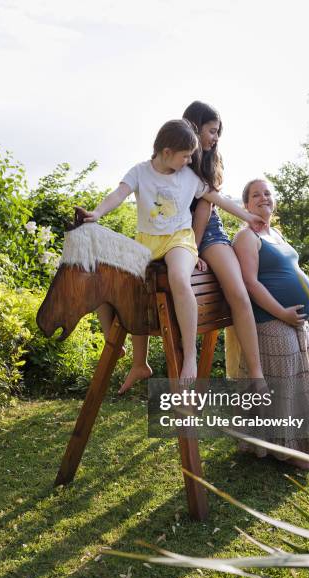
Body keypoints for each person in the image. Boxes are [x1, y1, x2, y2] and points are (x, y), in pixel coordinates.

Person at [78, 119, 265, 389]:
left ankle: (189, 356)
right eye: (186, 156)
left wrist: (249, 216)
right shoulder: (140, 172)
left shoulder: (188, 177)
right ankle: (138, 362)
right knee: (119, 279)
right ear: (167, 153)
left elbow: (218, 200)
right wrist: (96, 214)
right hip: (147, 242)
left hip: (180, 239)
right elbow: (118, 194)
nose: (190, 161)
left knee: (179, 276)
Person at [229, 178, 309, 469]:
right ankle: (289, 452)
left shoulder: (277, 234)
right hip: (270, 320)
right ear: (245, 205)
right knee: (283, 388)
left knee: (299, 384)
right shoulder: (246, 237)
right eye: (255, 195)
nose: (263, 198)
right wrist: (282, 312)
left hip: (294, 322)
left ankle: (286, 444)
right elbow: (250, 283)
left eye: (268, 193)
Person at [182, 101, 264, 381]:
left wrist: (194, 248)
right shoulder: (178, 160)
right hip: (178, 235)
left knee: (239, 294)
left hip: (208, 234)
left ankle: (256, 374)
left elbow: (206, 209)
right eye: (212, 131)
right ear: (195, 127)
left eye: (218, 133)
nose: (215, 138)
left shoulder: (210, 162)